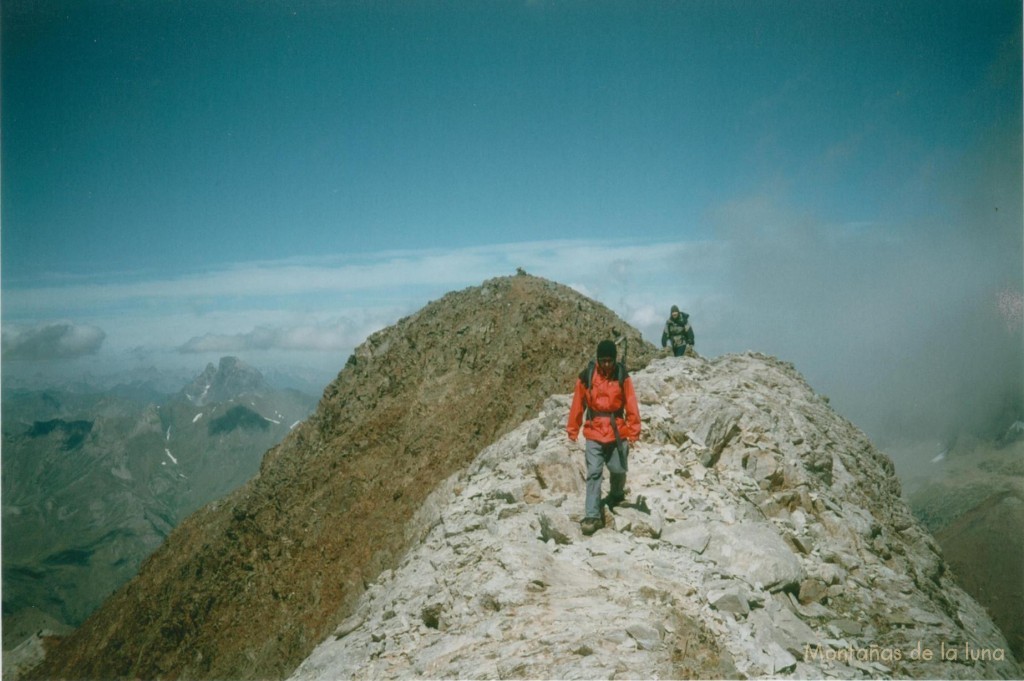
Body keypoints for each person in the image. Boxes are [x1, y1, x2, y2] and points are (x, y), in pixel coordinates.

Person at [566, 340, 641, 536]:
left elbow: (631, 403)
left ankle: (616, 494)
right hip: (594, 431)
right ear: (598, 359)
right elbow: (577, 404)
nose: (607, 364)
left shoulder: (622, 375)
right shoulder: (587, 376)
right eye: (603, 360)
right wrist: (573, 430)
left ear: (615, 359)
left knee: (618, 468)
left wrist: (634, 431)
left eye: (610, 361)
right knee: (594, 473)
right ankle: (592, 515)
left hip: (617, 431)